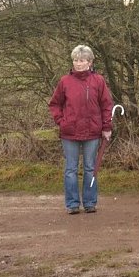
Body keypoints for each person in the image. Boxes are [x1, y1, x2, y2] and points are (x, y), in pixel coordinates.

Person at [49, 45, 114, 214]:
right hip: (69, 132)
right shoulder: (65, 81)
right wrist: (61, 121)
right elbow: (55, 104)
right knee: (70, 168)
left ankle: (90, 202)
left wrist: (107, 127)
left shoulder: (98, 81)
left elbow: (106, 105)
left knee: (90, 167)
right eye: (76, 60)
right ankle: (72, 204)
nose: (78, 64)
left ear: (90, 62)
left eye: (82, 60)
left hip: (92, 132)